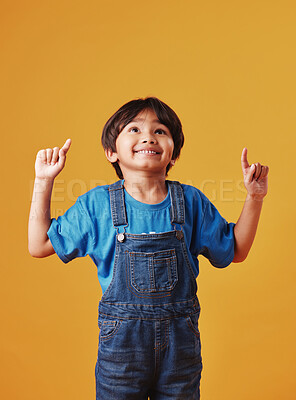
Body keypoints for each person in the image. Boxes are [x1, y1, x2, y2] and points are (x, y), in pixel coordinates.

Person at [28, 97, 269, 400]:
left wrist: (255, 198)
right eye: (134, 129)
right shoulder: (96, 205)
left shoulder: (190, 201)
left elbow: (235, 250)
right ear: (111, 152)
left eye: (160, 131)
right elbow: (39, 245)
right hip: (121, 354)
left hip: (180, 352)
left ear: (173, 154)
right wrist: (43, 180)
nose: (148, 137)